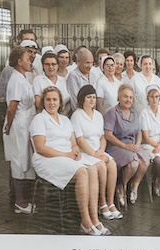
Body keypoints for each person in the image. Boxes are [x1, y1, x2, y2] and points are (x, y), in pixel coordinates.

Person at [30, 86, 108, 235]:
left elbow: (73, 143)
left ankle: (95, 219)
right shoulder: (39, 119)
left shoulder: (65, 119)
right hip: (47, 159)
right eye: (48, 100)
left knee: (92, 168)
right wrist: (66, 154)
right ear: (43, 102)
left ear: (60, 103)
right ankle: (85, 222)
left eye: (55, 100)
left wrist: (75, 150)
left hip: (66, 158)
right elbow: (40, 148)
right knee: (82, 172)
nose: (51, 103)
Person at [70, 85, 123, 221]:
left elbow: (102, 136)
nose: (92, 100)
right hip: (86, 152)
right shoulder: (77, 115)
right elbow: (80, 140)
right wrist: (95, 154)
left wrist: (101, 150)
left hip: (98, 150)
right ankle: (102, 202)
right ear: (82, 99)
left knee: (111, 164)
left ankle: (110, 203)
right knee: (101, 165)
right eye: (89, 97)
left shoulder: (98, 115)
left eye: (94, 97)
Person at [0, 40, 40, 214]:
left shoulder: (23, 76)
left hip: (26, 123)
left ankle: (23, 200)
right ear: (19, 61)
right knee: (18, 162)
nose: (30, 60)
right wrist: (9, 126)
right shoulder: (16, 79)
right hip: (18, 125)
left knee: (25, 161)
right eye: (27, 58)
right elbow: (11, 107)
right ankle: (20, 203)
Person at [103, 83, 147, 205]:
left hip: (132, 145)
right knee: (133, 164)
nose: (128, 100)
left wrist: (137, 144)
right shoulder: (112, 113)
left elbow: (139, 132)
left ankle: (134, 186)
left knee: (145, 161)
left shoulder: (134, 113)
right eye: (125, 96)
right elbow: (108, 135)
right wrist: (125, 146)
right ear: (118, 98)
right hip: (116, 146)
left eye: (130, 97)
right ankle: (121, 186)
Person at [31, 48, 70, 115]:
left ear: (57, 65)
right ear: (43, 65)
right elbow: (38, 104)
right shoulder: (38, 80)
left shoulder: (63, 80)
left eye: (53, 64)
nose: (51, 67)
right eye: (47, 64)